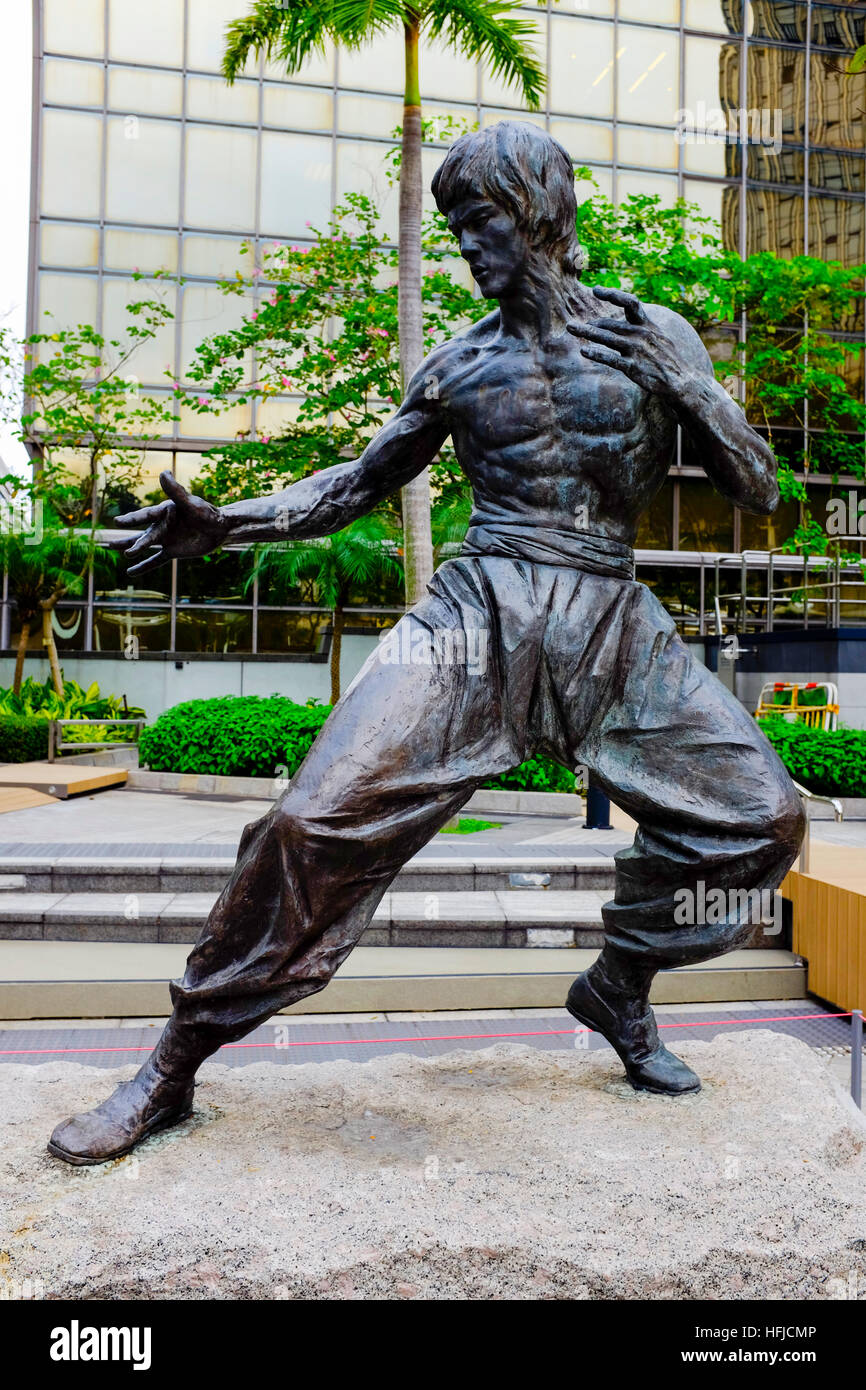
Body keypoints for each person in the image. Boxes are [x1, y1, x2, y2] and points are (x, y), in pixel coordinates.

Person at [48, 122, 803, 1165]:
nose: (463, 246)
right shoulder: (459, 365)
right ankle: (169, 1067)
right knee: (307, 823)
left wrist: (696, 384)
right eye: (451, 227)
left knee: (760, 825)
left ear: (535, 214)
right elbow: (349, 488)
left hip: (608, 618)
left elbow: (764, 497)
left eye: (478, 221)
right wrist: (226, 523)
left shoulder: (652, 339)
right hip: (475, 615)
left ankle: (619, 984)